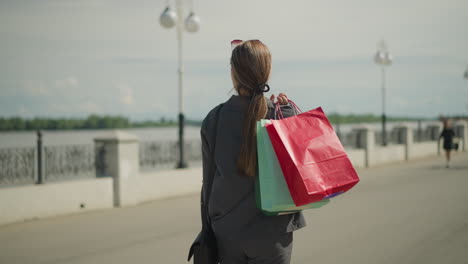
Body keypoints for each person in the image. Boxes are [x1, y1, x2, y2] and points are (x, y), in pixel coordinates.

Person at [199, 40, 305, 264]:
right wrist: (289, 112)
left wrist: (208, 228)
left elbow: (207, 184)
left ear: (233, 73)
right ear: (267, 71)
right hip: (273, 233)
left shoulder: (214, 120)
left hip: (227, 234)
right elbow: (306, 169)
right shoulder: (282, 114)